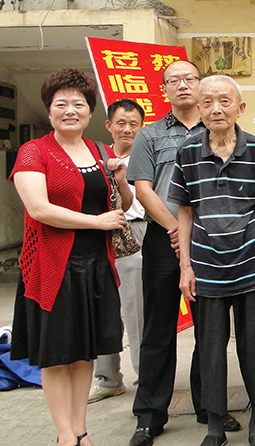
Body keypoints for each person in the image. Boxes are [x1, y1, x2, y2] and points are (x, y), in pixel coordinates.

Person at [10, 68, 133, 446]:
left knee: (85, 353)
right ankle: (65, 436)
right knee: (57, 355)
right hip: (52, 266)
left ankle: (81, 431)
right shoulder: (34, 151)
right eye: (60, 104)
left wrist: (120, 178)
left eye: (78, 104)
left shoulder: (100, 151)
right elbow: (39, 209)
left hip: (96, 265)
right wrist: (96, 222)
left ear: (90, 111)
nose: (70, 111)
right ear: (48, 110)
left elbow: (124, 203)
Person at [126, 60, 240, 446]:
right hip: (164, 239)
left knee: (211, 328)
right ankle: (149, 415)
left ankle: (210, 406)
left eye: (190, 78)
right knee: (158, 327)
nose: (183, 85)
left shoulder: (221, 129)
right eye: (173, 81)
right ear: (164, 90)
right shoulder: (150, 135)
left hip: (212, 240)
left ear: (201, 84)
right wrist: (176, 228)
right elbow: (143, 188)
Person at [170, 75, 255, 446]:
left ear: (240, 107)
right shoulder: (188, 152)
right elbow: (185, 211)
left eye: (224, 101)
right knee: (210, 347)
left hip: (254, 262)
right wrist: (186, 267)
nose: (216, 109)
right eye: (207, 102)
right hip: (206, 265)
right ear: (199, 108)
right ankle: (215, 426)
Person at [89, 99, 147, 403]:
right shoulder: (97, 158)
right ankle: (108, 378)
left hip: (139, 231)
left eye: (133, 124)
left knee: (135, 308)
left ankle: (145, 376)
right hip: (102, 234)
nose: (127, 129)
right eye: (121, 123)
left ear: (142, 127)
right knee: (102, 306)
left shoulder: (147, 156)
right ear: (108, 125)